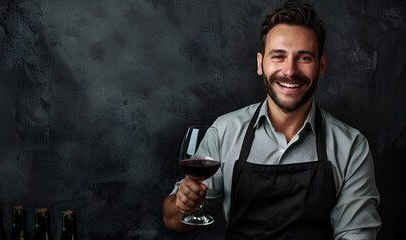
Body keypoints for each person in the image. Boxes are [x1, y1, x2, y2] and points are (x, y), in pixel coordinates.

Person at [163, 1, 381, 239]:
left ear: (321, 66)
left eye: (304, 58)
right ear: (260, 63)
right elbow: (175, 221)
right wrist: (183, 204)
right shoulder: (224, 130)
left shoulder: (351, 146)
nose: (290, 70)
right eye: (278, 56)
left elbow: (357, 235)